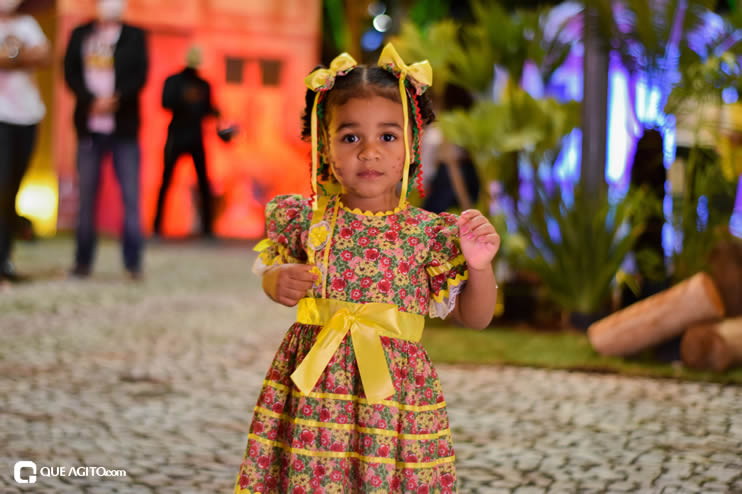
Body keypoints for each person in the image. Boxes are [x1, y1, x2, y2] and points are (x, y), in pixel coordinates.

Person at [234, 44, 500, 494]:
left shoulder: (428, 234)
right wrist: (274, 281)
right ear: (325, 146)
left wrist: (479, 268)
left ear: (412, 145)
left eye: (388, 137)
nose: (370, 152)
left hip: (393, 402)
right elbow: (273, 271)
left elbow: (475, 318)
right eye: (350, 137)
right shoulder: (307, 221)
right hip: (315, 399)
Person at [63, 0, 148, 279]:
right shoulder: (81, 34)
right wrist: (91, 101)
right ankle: (82, 261)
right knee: (86, 198)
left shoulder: (134, 36)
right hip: (89, 128)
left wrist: (116, 99)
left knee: (131, 198)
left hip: (124, 129)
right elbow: (70, 71)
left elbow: (140, 75)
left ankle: (133, 263)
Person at [0, 0, 50, 283]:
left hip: (28, 116)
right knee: (2, 186)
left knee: (13, 190)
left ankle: (5, 259)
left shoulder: (28, 24)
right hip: (1, 117)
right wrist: (20, 53)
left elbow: (44, 55)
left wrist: (11, 56)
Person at [153, 46, 219, 238]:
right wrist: (185, 102)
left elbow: (209, 109)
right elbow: (165, 103)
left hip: (196, 137)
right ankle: (157, 225)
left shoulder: (204, 85)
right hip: (177, 136)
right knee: (166, 181)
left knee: (203, 182)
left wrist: (218, 115)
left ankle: (207, 228)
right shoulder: (173, 81)